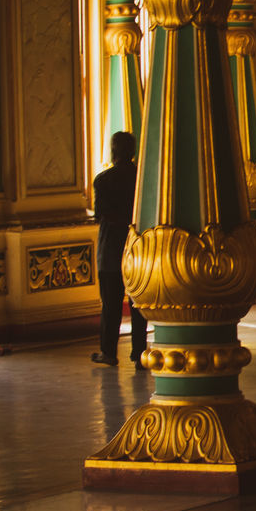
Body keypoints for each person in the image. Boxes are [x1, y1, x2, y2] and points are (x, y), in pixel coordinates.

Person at [90, 131, 147, 368]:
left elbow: (100, 215)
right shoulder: (143, 178)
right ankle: (139, 354)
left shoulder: (103, 180)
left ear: (113, 151)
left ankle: (109, 352)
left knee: (111, 305)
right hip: (138, 250)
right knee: (138, 304)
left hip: (111, 250)